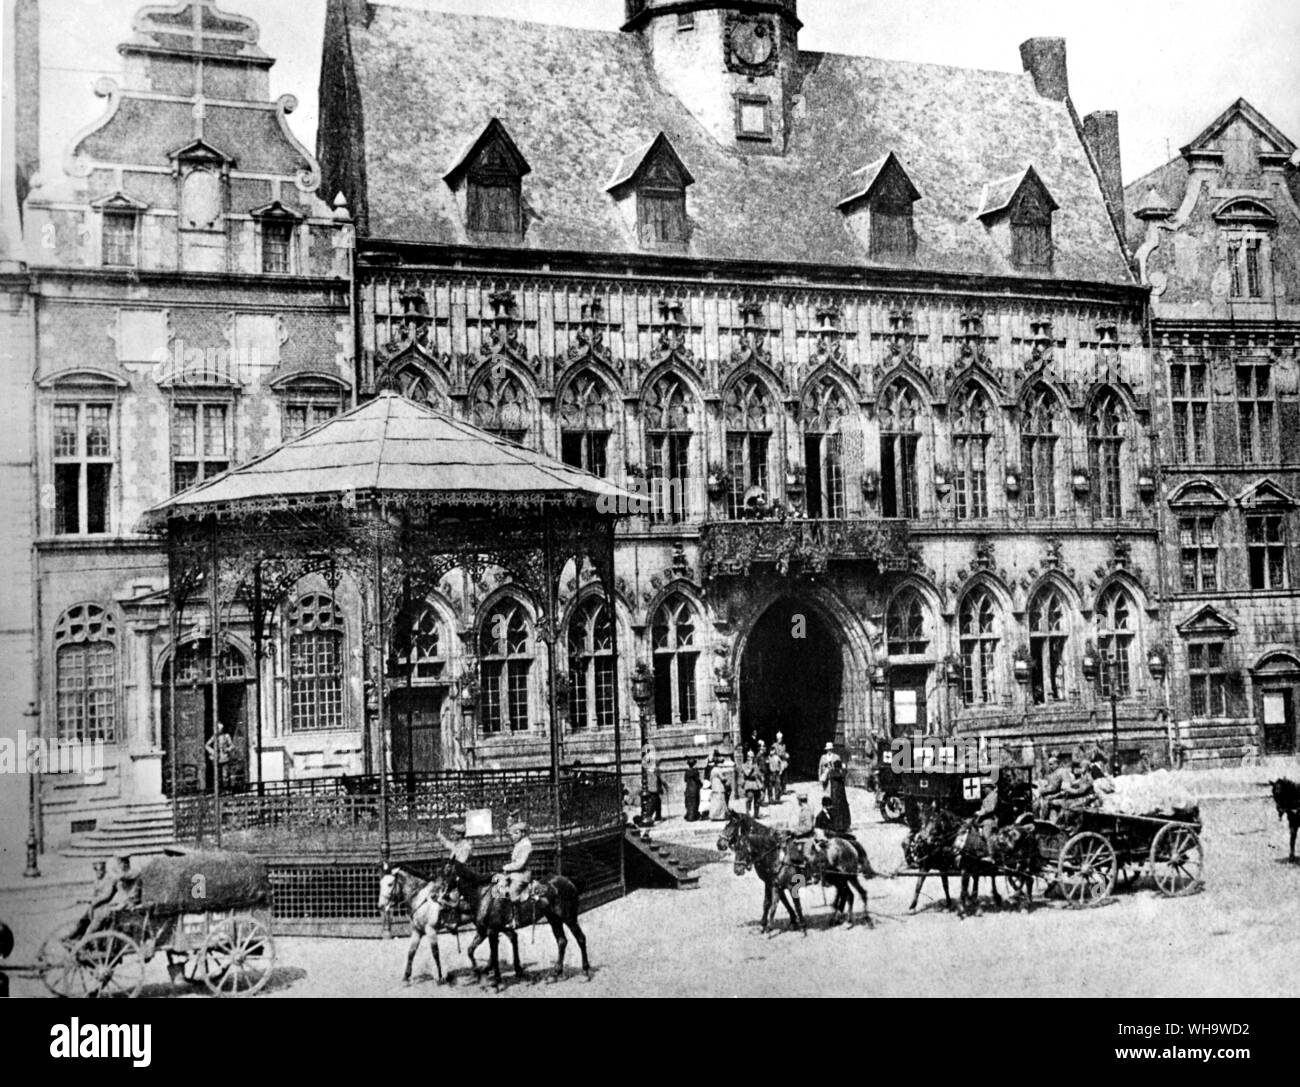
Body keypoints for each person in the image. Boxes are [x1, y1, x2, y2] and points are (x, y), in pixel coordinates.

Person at [84, 856, 141, 936]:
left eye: (121, 863)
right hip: (121, 903)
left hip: (129, 903)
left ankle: (86, 939)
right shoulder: (122, 875)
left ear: (126, 863)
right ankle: (88, 938)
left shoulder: (134, 873)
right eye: (119, 863)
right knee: (97, 913)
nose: (120, 866)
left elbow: (122, 876)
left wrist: (112, 874)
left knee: (100, 916)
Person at [496, 821, 533, 922]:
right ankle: (500, 913)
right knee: (497, 886)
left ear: (523, 833)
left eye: (516, 833)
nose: (513, 836)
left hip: (522, 875)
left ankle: (516, 918)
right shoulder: (519, 843)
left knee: (513, 891)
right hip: (514, 873)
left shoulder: (526, 845)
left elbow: (520, 864)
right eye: (513, 833)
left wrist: (506, 867)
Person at [71, 860, 115, 940]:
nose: (98, 873)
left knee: (92, 928)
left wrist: (94, 901)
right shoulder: (97, 880)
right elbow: (94, 894)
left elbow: (106, 895)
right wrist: (86, 900)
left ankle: (83, 943)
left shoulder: (109, 879)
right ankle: (73, 936)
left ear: (104, 869)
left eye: (100, 870)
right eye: (96, 870)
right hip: (95, 907)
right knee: (83, 920)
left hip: (104, 907)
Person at [826, 755, 852, 832]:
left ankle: (837, 825)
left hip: (835, 794)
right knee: (842, 809)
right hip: (840, 794)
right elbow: (844, 772)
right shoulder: (839, 772)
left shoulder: (832, 772)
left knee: (836, 809)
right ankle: (843, 825)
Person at [708, 756, 730, 821]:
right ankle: (720, 816)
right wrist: (727, 778)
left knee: (715, 802)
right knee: (720, 801)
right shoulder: (718, 770)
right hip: (719, 786)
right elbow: (722, 778)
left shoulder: (713, 770)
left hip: (714, 787)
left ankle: (713, 815)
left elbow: (711, 778)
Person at [741, 751, 763, 817]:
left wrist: (761, 777)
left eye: (752, 757)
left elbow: (758, 773)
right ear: (747, 757)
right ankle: (748, 812)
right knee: (749, 798)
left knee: (758, 799)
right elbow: (747, 774)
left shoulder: (755, 765)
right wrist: (751, 767)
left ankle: (756, 814)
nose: (751, 758)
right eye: (749, 757)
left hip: (756, 783)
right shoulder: (744, 765)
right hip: (749, 783)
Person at [683, 757, 702, 822]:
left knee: (688, 802)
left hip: (688, 788)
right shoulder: (695, 771)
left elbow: (685, 780)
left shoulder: (686, 771)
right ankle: (694, 816)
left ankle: (689, 815)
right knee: (695, 802)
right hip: (694, 788)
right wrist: (701, 784)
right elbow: (697, 779)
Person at [771, 732, 789, 800]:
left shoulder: (784, 745)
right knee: (779, 776)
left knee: (784, 776)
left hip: (783, 761)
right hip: (777, 762)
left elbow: (784, 752)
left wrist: (786, 755)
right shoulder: (774, 745)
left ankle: (784, 788)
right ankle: (779, 789)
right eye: (779, 738)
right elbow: (773, 753)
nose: (780, 739)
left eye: (781, 738)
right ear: (777, 738)